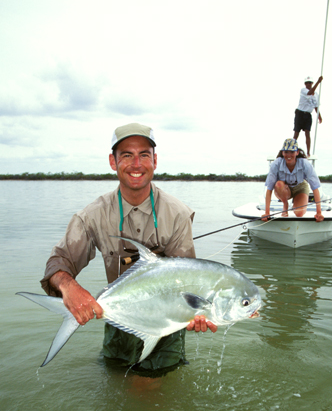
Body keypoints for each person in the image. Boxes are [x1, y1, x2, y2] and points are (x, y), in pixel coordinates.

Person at [40, 122, 217, 374]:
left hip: (165, 325)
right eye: (126, 155)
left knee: (147, 389)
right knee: (115, 389)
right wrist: (70, 287)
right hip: (118, 318)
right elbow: (59, 261)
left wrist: (198, 312)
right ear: (113, 162)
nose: (136, 164)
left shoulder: (177, 214)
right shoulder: (92, 216)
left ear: (155, 161)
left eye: (144, 155)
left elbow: (188, 282)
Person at [261, 138, 324, 222]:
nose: (289, 155)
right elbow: (269, 189)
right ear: (282, 153)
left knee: (299, 213)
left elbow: (315, 187)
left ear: (297, 152)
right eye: (286, 152)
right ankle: (285, 204)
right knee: (278, 184)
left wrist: (319, 212)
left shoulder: (305, 164)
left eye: (292, 152)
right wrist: (267, 212)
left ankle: (296, 204)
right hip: (284, 189)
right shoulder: (276, 164)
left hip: (300, 187)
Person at [293, 75, 323, 157]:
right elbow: (309, 93)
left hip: (308, 115)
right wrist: (318, 82)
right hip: (300, 113)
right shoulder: (303, 90)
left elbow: (316, 106)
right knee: (296, 132)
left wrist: (319, 116)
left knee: (307, 133)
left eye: (310, 83)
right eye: (307, 83)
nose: (308, 84)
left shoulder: (316, 94)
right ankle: (292, 149)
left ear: (312, 83)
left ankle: (308, 152)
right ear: (305, 84)